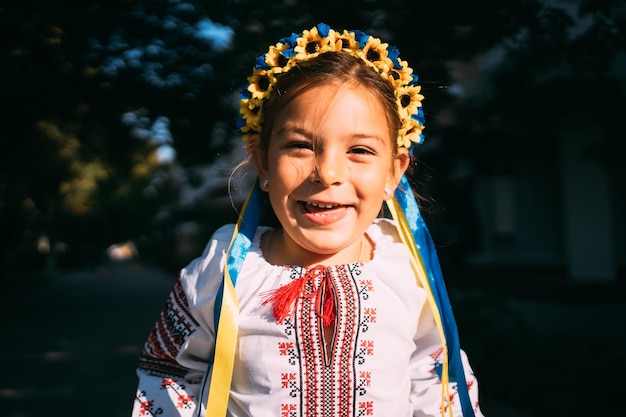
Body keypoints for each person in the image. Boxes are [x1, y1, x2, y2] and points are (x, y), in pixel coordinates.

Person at [131, 23, 484, 417]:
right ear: (262, 160)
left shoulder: (407, 269)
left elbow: (436, 378)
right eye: (300, 146)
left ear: (393, 172)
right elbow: (167, 370)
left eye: (360, 150)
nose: (327, 173)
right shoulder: (226, 271)